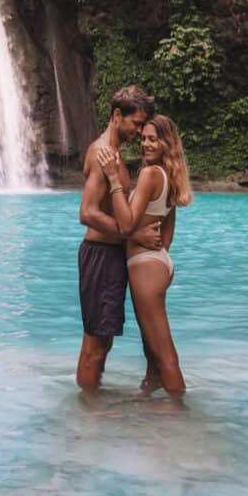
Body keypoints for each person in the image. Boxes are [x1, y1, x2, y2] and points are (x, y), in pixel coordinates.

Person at [96, 115, 193, 399]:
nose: (146, 144)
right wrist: (151, 253)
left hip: (144, 267)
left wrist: (114, 178)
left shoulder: (151, 175)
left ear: (167, 143)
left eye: (153, 139)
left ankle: (180, 415)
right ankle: (148, 399)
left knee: (163, 353)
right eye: (144, 138)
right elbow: (167, 237)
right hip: (157, 263)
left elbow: (126, 223)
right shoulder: (170, 176)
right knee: (152, 353)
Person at [76, 84, 161, 394]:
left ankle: (91, 404)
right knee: (96, 345)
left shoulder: (112, 156)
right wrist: (133, 232)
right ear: (116, 115)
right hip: (100, 254)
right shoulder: (103, 154)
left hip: (108, 256)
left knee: (103, 340)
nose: (139, 132)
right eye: (135, 123)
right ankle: (87, 412)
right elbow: (87, 213)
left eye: (143, 125)